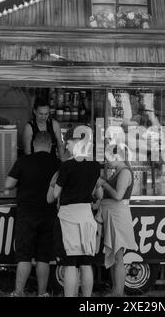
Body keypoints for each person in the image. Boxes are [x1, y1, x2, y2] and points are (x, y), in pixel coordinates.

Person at [47, 127, 101, 297]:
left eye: (68, 143)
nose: (66, 146)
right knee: (86, 264)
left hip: (68, 217)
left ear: (77, 142)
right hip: (86, 216)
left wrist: (52, 182)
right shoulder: (95, 166)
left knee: (70, 265)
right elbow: (97, 193)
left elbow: (55, 195)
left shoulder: (67, 166)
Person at [5, 132, 60, 297]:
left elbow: (8, 184)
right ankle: (42, 293)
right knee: (43, 257)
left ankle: (18, 292)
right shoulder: (58, 163)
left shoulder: (24, 161)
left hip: (27, 214)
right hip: (49, 214)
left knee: (24, 255)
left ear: (34, 144)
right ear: (50, 146)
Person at [96, 144, 138, 297]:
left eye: (108, 158)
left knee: (118, 255)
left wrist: (104, 184)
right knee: (115, 255)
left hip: (118, 216)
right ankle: (116, 290)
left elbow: (118, 195)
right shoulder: (118, 171)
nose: (107, 162)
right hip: (113, 215)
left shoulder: (125, 172)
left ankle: (119, 292)